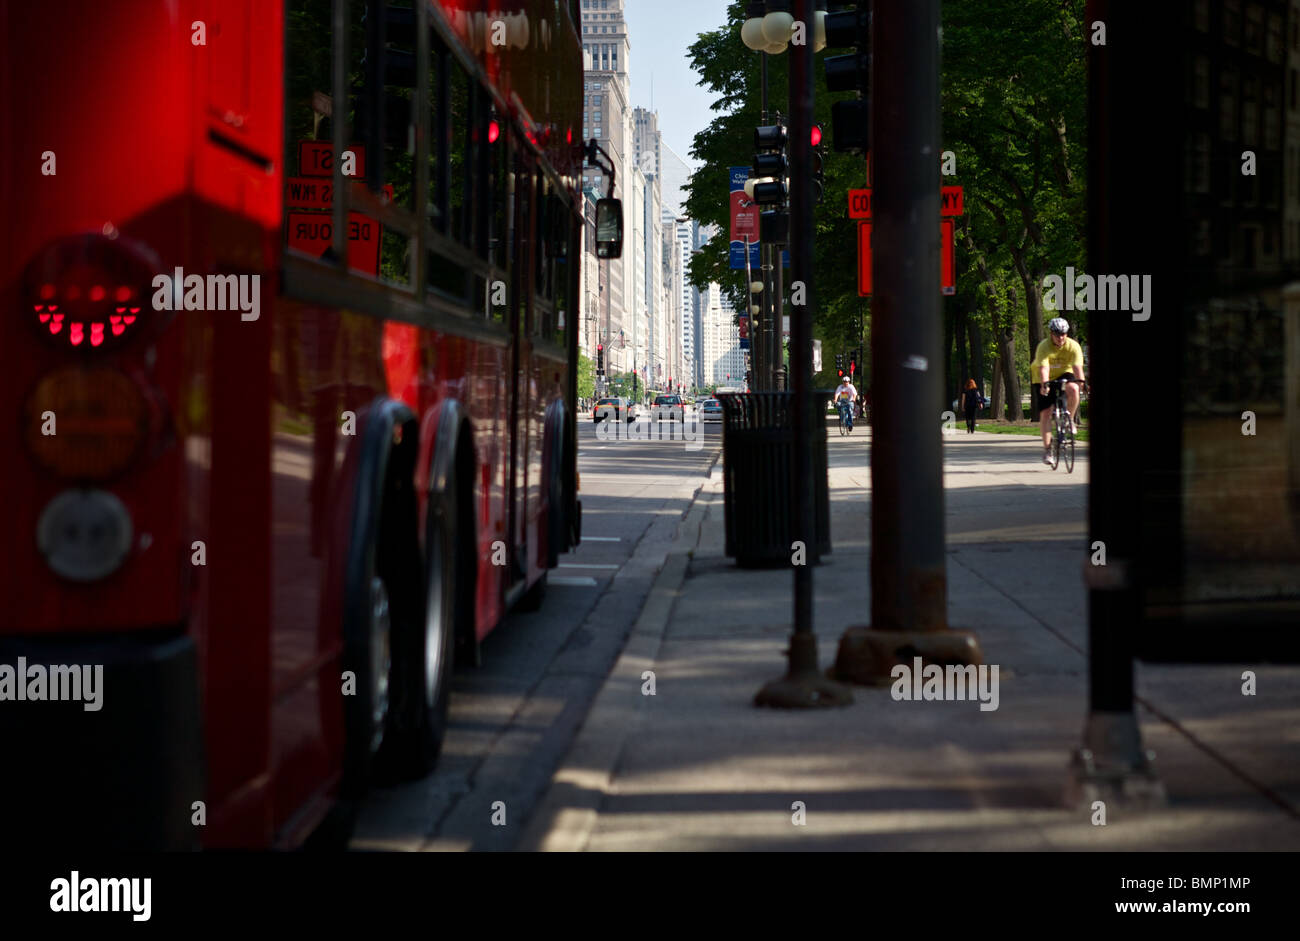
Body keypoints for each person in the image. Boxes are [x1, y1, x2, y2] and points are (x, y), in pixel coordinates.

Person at [1030, 317, 1086, 465]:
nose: (1060, 337)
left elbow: (1077, 368)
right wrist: (1044, 384)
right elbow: (1044, 368)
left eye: (1063, 334)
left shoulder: (1073, 346)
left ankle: (1070, 421)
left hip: (1064, 373)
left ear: (1067, 333)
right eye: (1057, 334)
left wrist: (1082, 383)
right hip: (1042, 376)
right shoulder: (1044, 346)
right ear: (1051, 333)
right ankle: (1048, 450)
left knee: (1074, 388)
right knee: (1046, 413)